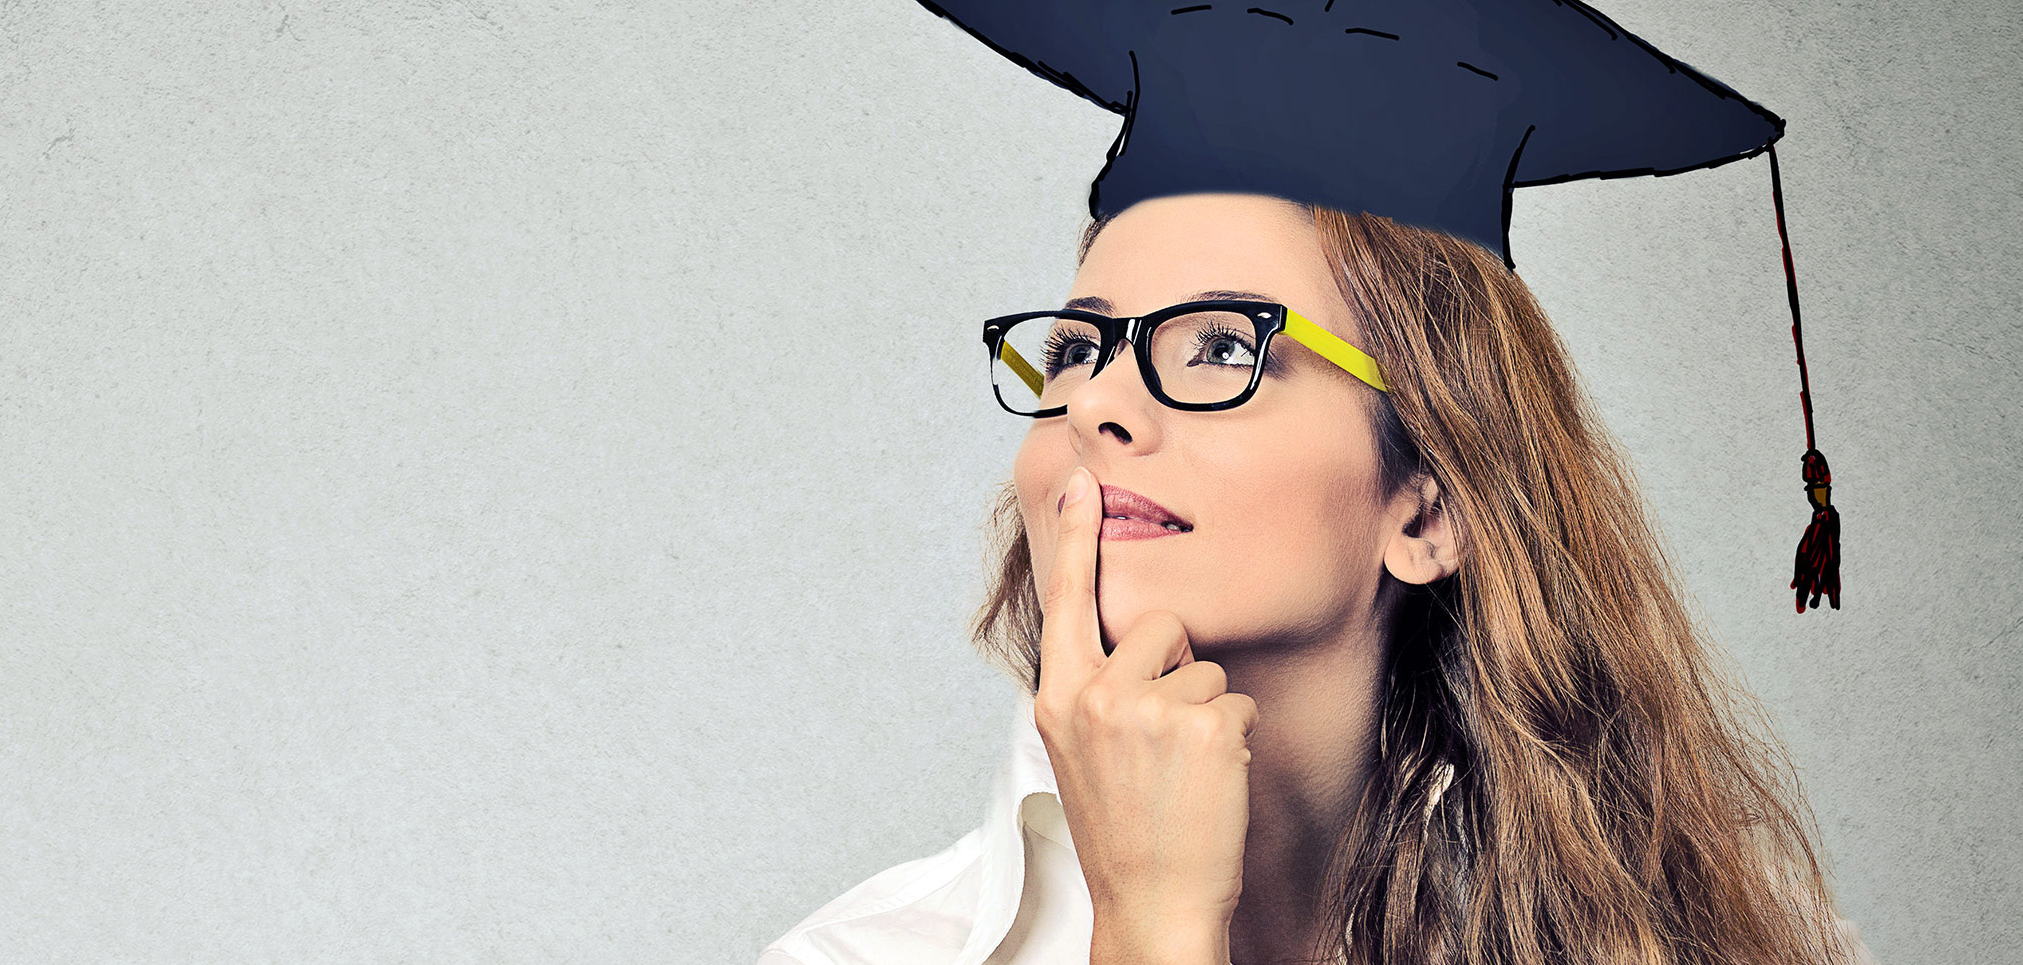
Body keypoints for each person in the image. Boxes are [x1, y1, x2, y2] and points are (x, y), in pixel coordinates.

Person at [765, 3, 1870, 963]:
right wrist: (1151, 928)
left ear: (1429, 505)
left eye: (1220, 346)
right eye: (1075, 348)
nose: (1099, 402)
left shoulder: (1723, 938)